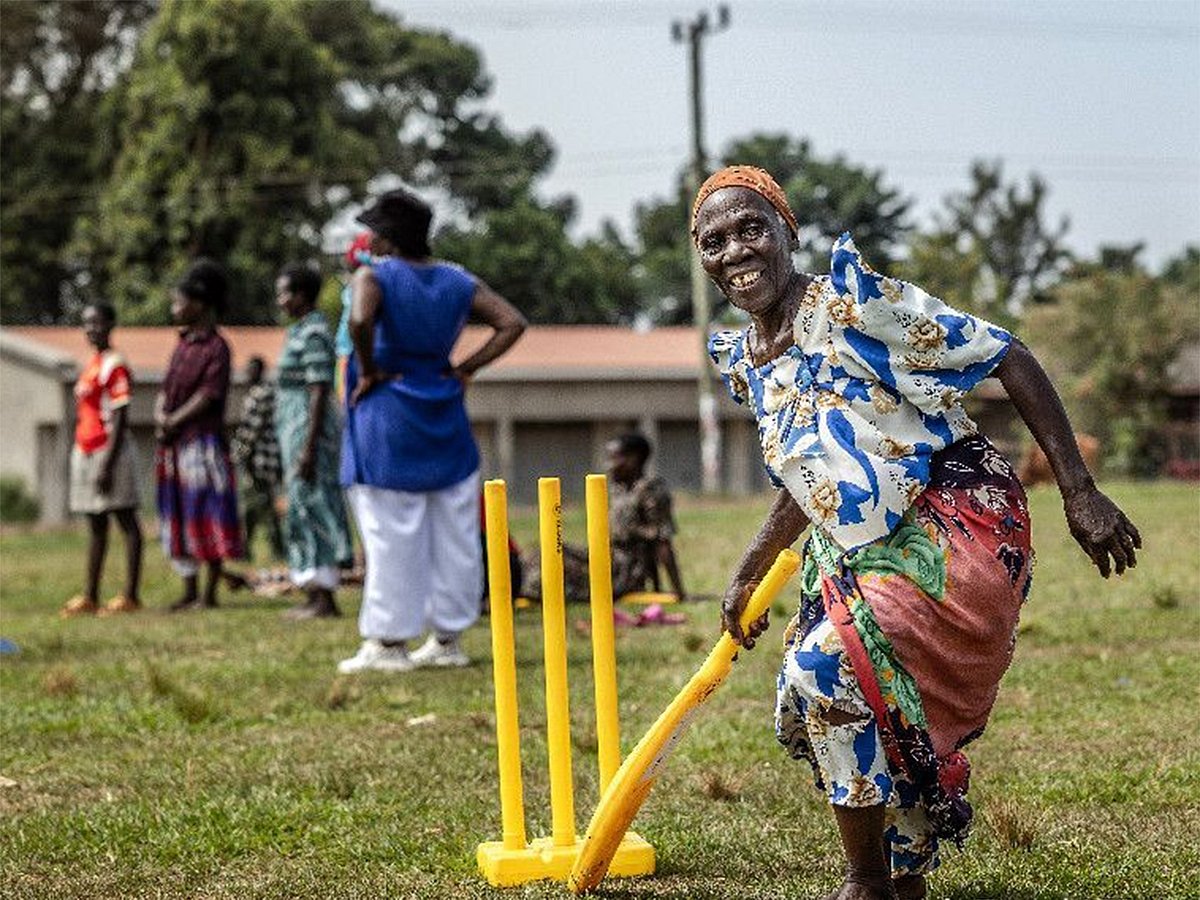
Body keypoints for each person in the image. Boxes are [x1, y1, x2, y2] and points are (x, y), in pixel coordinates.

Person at [693, 166, 1141, 900]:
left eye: (751, 229)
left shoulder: (853, 308)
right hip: (854, 545)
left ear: (787, 232)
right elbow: (814, 473)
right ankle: (902, 879)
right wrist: (749, 569)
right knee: (870, 699)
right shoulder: (747, 362)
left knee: (823, 667)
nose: (736, 251)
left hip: (950, 520)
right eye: (715, 242)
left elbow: (1007, 355)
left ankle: (865, 881)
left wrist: (1080, 490)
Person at [337, 188, 527, 673]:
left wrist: (368, 368)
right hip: (443, 410)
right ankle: (447, 640)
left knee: (389, 532)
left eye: (373, 230)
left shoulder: (373, 276)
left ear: (387, 237)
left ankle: (388, 643)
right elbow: (511, 322)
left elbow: (360, 318)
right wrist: (465, 369)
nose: (368, 239)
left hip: (388, 413)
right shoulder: (457, 280)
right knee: (453, 532)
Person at [155, 259, 244, 611]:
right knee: (179, 512)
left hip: (201, 443)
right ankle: (188, 588)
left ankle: (208, 594)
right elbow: (167, 388)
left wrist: (173, 420)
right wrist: (161, 415)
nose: (174, 309)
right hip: (175, 444)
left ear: (201, 304)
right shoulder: (182, 345)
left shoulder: (216, 348)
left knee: (207, 511)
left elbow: (208, 395)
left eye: (179, 302)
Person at [274, 262, 355, 620]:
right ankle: (311, 591)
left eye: (285, 293)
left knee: (316, 505)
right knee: (300, 507)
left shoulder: (315, 334)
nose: (281, 301)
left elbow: (319, 389)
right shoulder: (299, 331)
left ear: (302, 295)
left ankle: (325, 596)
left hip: (311, 436)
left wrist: (309, 447)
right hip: (294, 434)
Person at [523, 431, 687, 604]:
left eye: (614, 459)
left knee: (553, 569)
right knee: (547, 552)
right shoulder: (620, 489)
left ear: (633, 459)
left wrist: (678, 592)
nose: (609, 466)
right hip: (607, 557)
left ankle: (532, 589)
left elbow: (662, 542)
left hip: (624, 572)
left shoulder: (651, 491)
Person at [61, 302, 144, 617]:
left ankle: (130, 595)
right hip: (86, 449)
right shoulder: (92, 364)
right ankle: (91, 595)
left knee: (125, 518)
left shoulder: (114, 365)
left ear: (110, 324)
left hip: (110, 451)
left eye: (96, 323)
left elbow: (121, 415)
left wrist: (107, 463)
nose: (91, 329)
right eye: (86, 323)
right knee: (96, 523)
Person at [229, 356, 285, 562]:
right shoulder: (260, 393)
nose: (247, 374)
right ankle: (254, 548)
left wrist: (237, 455)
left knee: (258, 506)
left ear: (260, 371)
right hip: (261, 460)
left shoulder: (260, 394)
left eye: (252, 370)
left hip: (261, 460)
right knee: (258, 506)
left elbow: (250, 431)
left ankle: (271, 549)